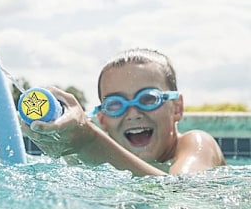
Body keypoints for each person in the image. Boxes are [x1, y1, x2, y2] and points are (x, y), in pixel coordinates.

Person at [21, 48, 226, 176]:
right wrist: (68, 147)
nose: (133, 113)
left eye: (148, 99)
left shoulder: (197, 143)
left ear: (177, 108)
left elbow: (183, 193)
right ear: (103, 119)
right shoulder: (99, 166)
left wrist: (88, 141)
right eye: (116, 104)